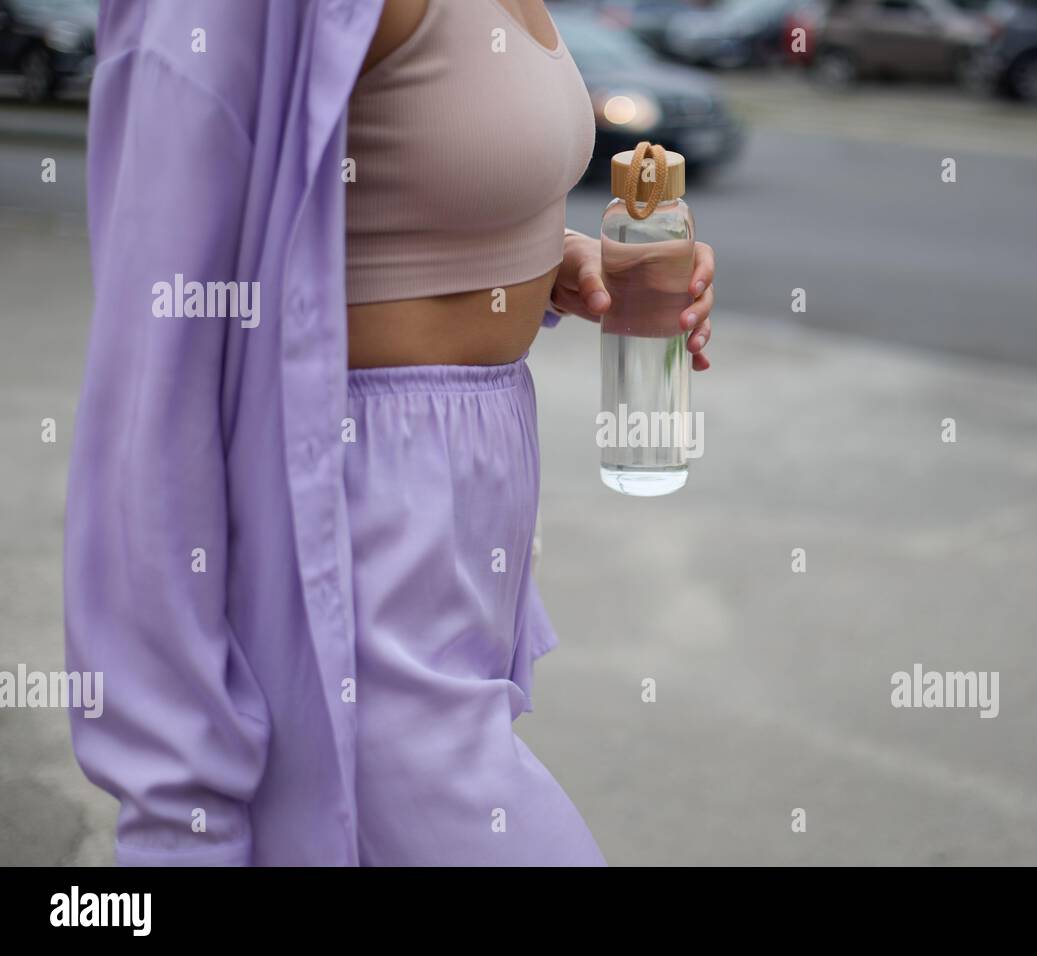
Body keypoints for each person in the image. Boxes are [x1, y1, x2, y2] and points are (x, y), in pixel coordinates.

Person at [64, 0, 715, 866]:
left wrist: (536, 258)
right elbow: (151, 392)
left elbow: (393, 181)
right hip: (348, 569)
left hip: (460, 563)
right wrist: (177, 815)